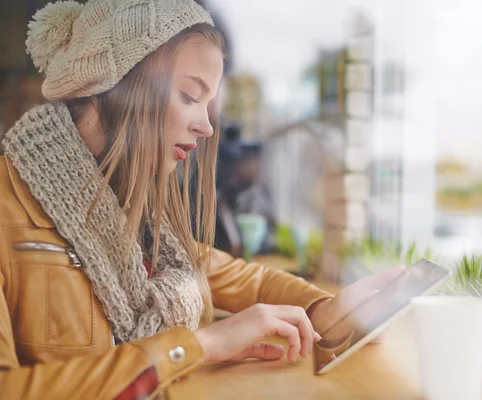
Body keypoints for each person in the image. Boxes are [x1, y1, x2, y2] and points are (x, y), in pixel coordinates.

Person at [0, 1, 406, 399]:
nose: (208, 126)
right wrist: (200, 346)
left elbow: (248, 279)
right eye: (190, 97)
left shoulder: (129, 215)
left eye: (208, 104)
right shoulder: (11, 207)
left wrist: (325, 310)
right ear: (119, 86)